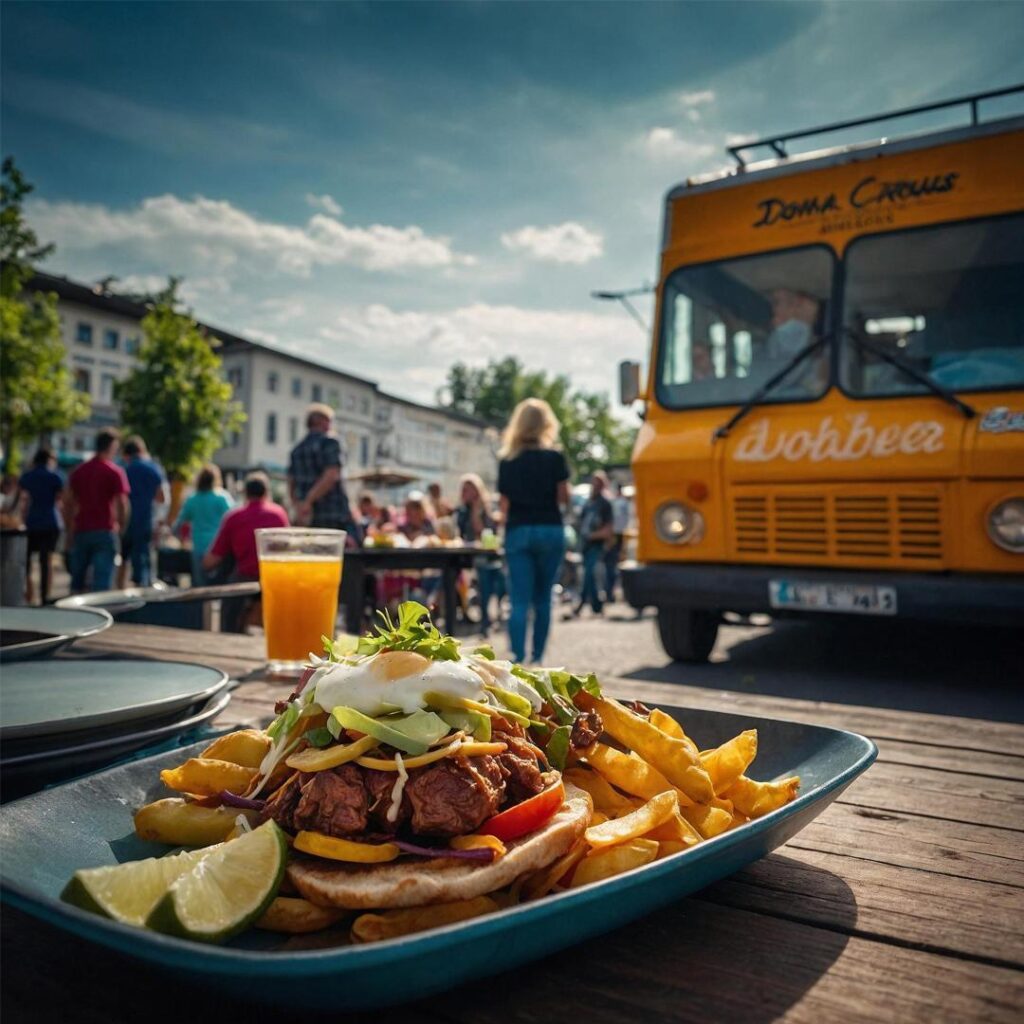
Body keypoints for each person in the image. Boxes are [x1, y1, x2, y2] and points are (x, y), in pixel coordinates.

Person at [497, 398, 569, 665]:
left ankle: (517, 657)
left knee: (518, 599)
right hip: (550, 529)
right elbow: (563, 498)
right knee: (543, 598)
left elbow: (504, 505)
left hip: (518, 530)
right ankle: (537, 658)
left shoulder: (508, 460)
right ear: (546, 424)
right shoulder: (555, 457)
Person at [203, 472, 289, 632]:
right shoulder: (279, 514)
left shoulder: (235, 517)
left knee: (229, 611)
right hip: (273, 578)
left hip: (244, 577)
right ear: (266, 492)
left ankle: (226, 635)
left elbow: (211, 560)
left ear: (245, 493)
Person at [65, 429, 130, 593]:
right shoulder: (115, 472)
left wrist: (69, 529)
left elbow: (69, 503)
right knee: (102, 581)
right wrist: (121, 528)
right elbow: (122, 503)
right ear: (112, 446)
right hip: (105, 529)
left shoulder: (79, 471)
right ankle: (100, 613)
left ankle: (75, 614)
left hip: (82, 528)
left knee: (77, 580)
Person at [288, 403, 359, 544]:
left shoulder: (297, 449)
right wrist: (309, 500)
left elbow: (291, 482)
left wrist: (299, 506)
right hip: (332, 514)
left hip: (308, 517)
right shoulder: (330, 442)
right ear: (324, 421)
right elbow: (331, 476)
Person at [456, 473, 504, 634]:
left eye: (469, 489)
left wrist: (476, 512)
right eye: (464, 490)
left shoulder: (486, 508)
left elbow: (484, 532)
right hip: (466, 554)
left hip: (486, 555)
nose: (466, 493)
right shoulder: (462, 510)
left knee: (485, 574)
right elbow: (459, 533)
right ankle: (475, 616)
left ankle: (486, 621)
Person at [118, 436, 169, 587]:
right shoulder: (153, 468)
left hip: (125, 521)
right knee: (143, 561)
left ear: (127, 454)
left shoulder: (123, 468)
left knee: (122, 559)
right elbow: (162, 497)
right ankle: (140, 594)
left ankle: (120, 590)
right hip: (145, 520)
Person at [173, 463, 234, 586]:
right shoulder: (222, 498)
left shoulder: (193, 499)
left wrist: (180, 539)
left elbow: (178, 524)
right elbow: (233, 519)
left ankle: (202, 605)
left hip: (199, 548)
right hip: (218, 549)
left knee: (199, 588)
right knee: (220, 586)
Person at [18, 449, 63, 604]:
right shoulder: (55, 476)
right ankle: (45, 596)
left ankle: (29, 595)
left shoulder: (27, 476)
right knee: (47, 560)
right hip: (51, 521)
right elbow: (61, 499)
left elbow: (21, 500)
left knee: (28, 562)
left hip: (32, 522)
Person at [576, 472, 614, 616]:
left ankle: (584, 604)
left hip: (597, 543)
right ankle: (595, 605)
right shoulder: (588, 503)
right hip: (586, 544)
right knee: (588, 574)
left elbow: (608, 527)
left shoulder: (605, 503)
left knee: (590, 574)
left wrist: (594, 536)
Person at [605, 483, 632, 603]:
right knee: (616, 564)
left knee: (614, 565)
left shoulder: (616, 503)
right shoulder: (622, 503)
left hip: (617, 535)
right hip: (619, 535)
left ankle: (613, 593)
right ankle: (616, 593)